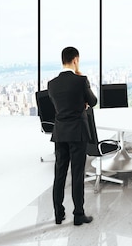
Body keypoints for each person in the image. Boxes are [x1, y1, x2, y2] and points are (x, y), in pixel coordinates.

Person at [47, 46, 97, 226]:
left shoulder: (52, 84)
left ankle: (58, 214)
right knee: (77, 174)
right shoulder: (81, 80)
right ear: (75, 60)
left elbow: (60, 106)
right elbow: (93, 102)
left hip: (60, 133)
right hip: (77, 133)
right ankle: (78, 214)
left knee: (59, 174)